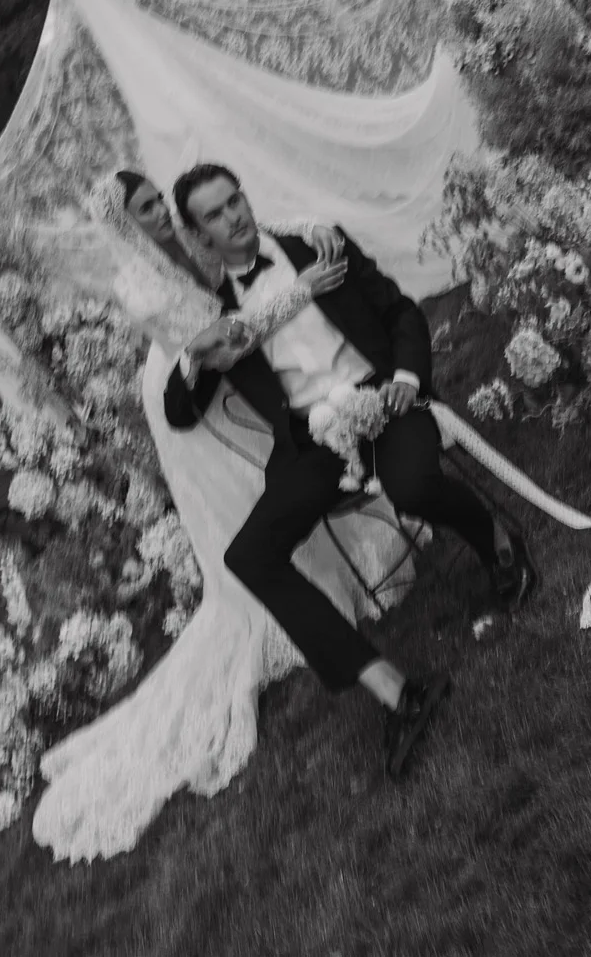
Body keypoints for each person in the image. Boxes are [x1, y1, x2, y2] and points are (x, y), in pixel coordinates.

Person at [31, 169, 425, 864]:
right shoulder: (141, 284)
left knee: (272, 513)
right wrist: (304, 289)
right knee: (247, 539)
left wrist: (306, 232)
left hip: (251, 383)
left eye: (159, 201)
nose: (161, 213)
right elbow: (230, 339)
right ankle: (383, 682)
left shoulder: (195, 240)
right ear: (123, 223)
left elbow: (250, 242)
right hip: (196, 394)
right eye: (146, 208)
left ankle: (383, 669)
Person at [165, 162, 538, 778]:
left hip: (383, 396)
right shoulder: (218, 315)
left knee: (412, 485)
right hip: (312, 441)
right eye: (215, 214)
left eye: (235, 200)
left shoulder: (318, 244)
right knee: (248, 557)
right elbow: (180, 413)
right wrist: (192, 354)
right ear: (200, 236)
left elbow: (400, 313)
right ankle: (397, 691)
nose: (233, 217)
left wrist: (406, 378)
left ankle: (497, 541)